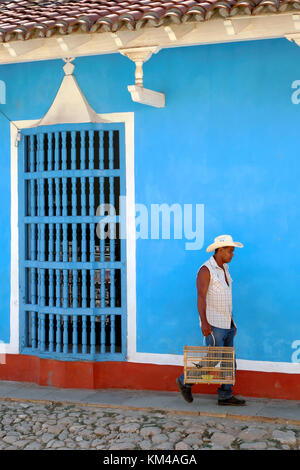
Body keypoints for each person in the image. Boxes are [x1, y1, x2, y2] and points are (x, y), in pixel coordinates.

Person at [176, 234, 246, 406]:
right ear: (220, 250)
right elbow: (201, 297)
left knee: (229, 361)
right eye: (230, 251)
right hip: (214, 324)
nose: (232, 254)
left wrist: (232, 323)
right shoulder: (205, 270)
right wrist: (204, 322)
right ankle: (185, 380)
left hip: (228, 323)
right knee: (213, 360)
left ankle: (225, 395)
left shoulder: (224, 269)